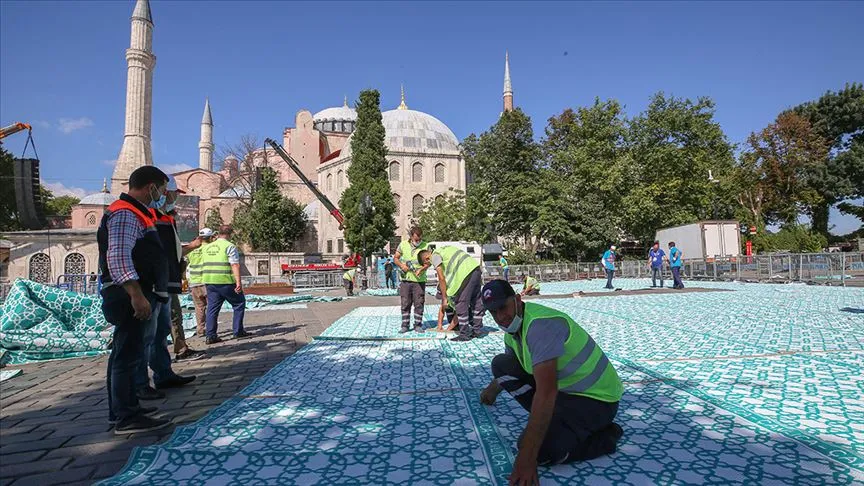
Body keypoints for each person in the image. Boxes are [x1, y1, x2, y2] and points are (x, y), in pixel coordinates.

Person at [479, 280, 624, 482]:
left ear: (518, 300)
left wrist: (526, 458)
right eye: (493, 312)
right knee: (501, 365)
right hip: (567, 393)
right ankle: (556, 423)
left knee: (539, 452)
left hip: (597, 400)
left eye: (503, 307)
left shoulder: (540, 327)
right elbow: (515, 367)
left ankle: (606, 437)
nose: (500, 317)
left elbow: (547, 393)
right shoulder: (514, 331)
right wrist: (492, 389)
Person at [99, 166, 171, 434]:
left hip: (134, 292)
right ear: (150, 186)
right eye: (161, 190)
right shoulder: (126, 213)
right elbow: (118, 256)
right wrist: (136, 294)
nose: (161, 195)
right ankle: (126, 417)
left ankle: (124, 409)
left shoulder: (137, 213)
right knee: (127, 355)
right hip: (129, 294)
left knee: (125, 352)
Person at [158, 176, 207, 362]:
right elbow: (172, 250)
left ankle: (174, 355)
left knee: (173, 316)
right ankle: (178, 351)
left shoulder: (167, 218)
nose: (175, 199)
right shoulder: (158, 219)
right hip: (162, 280)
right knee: (169, 317)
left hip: (170, 278)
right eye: (173, 194)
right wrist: (193, 247)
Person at [418, 246, 484, 342]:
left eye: (428, 264)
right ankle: (477, 330)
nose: (431, 265)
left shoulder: (435, 256)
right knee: (476, 301)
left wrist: (444, 297)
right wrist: (440, 326)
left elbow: (441, 277)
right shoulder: (443, 250)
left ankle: (464, 334)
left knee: (461, 304)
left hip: (464, 273)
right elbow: (442, 310)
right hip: (475, 268)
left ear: (427, 259)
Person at [202, 225, 249, 344]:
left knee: (212, 308)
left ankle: (210, 335)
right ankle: (238, 331)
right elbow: (234, 264)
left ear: (218, 233)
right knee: (239, 303)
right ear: (229, 234)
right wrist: (238, 282)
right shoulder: (229, 246)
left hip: (210, 281)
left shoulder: (207, 247)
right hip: (225, 281)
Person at [394, 226, 430, 333]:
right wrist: (401, 265)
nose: (418, 241)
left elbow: (429, 262)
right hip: (406, 279)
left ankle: (418, 324)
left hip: (419, 280)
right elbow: (395, 258)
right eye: (416, 239)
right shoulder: (403, 245)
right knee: (405, 302)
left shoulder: (426, 246)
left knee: (419, 302)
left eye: (419, 239)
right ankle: (405, 325)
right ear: (411, 237)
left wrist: (422, 269)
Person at [186, 228, 215, 337]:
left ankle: (200, 329)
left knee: (199, 307)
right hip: (207, 281)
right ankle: (211, 330)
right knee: (212, 306)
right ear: (210, 237)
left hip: (194, 282)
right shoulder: (209, 248)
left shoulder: (192, 249)